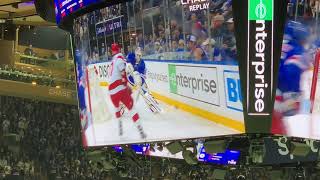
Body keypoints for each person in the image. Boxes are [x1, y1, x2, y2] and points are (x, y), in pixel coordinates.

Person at [108, 43, 146, 139]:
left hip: (111, 93)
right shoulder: (120, 59)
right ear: (119, 50)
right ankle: (141, 131)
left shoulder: (112, 61)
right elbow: (123, 76)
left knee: (117, 109)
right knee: (132, 109)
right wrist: (127, 87)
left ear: (112, 51)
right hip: (119, 89)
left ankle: (120, 129)